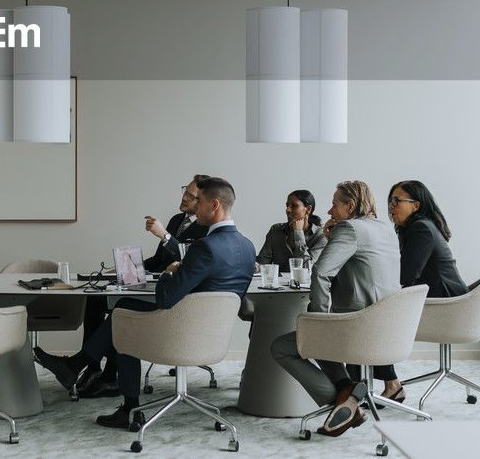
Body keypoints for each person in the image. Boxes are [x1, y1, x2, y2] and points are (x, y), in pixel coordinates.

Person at [35, 175, 256, 429]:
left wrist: (169, 273)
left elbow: (166, 297)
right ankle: (77, 368)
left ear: (214, 205)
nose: (196, 208)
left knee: (124, 312)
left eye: (200, 202)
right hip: (212, 338)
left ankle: (126, 406)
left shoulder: (205, 247)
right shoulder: (247, 247)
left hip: (180, 333)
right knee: (126, 312)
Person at [270, 180, 399, 437]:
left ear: (350, 206)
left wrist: (318, 318)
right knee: (318, 333)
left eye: (334, 205)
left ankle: (346, 397)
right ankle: (347, 393)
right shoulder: (385, 229)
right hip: (390, 328)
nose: (329, 212)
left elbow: (320, 272)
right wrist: (331, 238)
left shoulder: (350, 228)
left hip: (359, 327)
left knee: (283, 346)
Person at [77, 176, 210, 399]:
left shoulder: (206, 228)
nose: (184, 197)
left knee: (121, 308)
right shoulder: (178, 219)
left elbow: (190, 260)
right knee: (95, 299)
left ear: (203, 202)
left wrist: (164, 235)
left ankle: (110, 377)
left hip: (172, 291)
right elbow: (159, 258)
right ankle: (92, 368)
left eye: (190, 196)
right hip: (152, 279)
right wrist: (124, 267)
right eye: (184, 191)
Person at [376, 179, 469, 402]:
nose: (391, 206)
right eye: (390, 201)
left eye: (397, 201)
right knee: (376, 311)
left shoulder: (420, 228)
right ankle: (390, 384)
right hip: (446, 300)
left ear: (415, 205)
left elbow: (406, 276)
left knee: (374, 317)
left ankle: (390, 385)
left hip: (447, 306)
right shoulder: (417, 227)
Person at [256, 189, 327, 270]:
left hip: (306, 283)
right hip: (278, 282)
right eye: (287, 206)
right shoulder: (276, 230)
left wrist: (298, 234)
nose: (288, 210)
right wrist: (256, 266)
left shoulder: (321, 236)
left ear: (308, 209)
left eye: (294, 205)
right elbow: (263, 263)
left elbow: (307, 269)